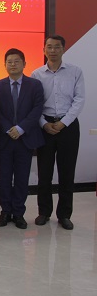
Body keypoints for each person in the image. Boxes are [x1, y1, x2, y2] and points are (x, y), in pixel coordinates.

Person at [31, 35, 85, 230]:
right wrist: (44, 124)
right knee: (44, 173)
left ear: (63, 49)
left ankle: (64, 215)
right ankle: (44, 212)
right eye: (49, 47)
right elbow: (34, 103)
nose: (52, 50)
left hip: (68, 127)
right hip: (44, 127)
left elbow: (79, 99)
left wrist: (63, 123)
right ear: (44, 49)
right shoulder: (37, 74)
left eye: (56, 47)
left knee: (67, 172)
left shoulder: (75, 72)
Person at [0, 48, 44, 229]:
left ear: (24, 64)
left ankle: (18, 213)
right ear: (5, 65)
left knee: (22, 178)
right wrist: (9, 128)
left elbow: (37, 109)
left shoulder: (35, 85)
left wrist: (21, 128)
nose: (13, 65)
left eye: (16, 61)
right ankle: (5, 212)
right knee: (4, 177)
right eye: (9, 62)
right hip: (5, 138)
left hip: (25, 139)